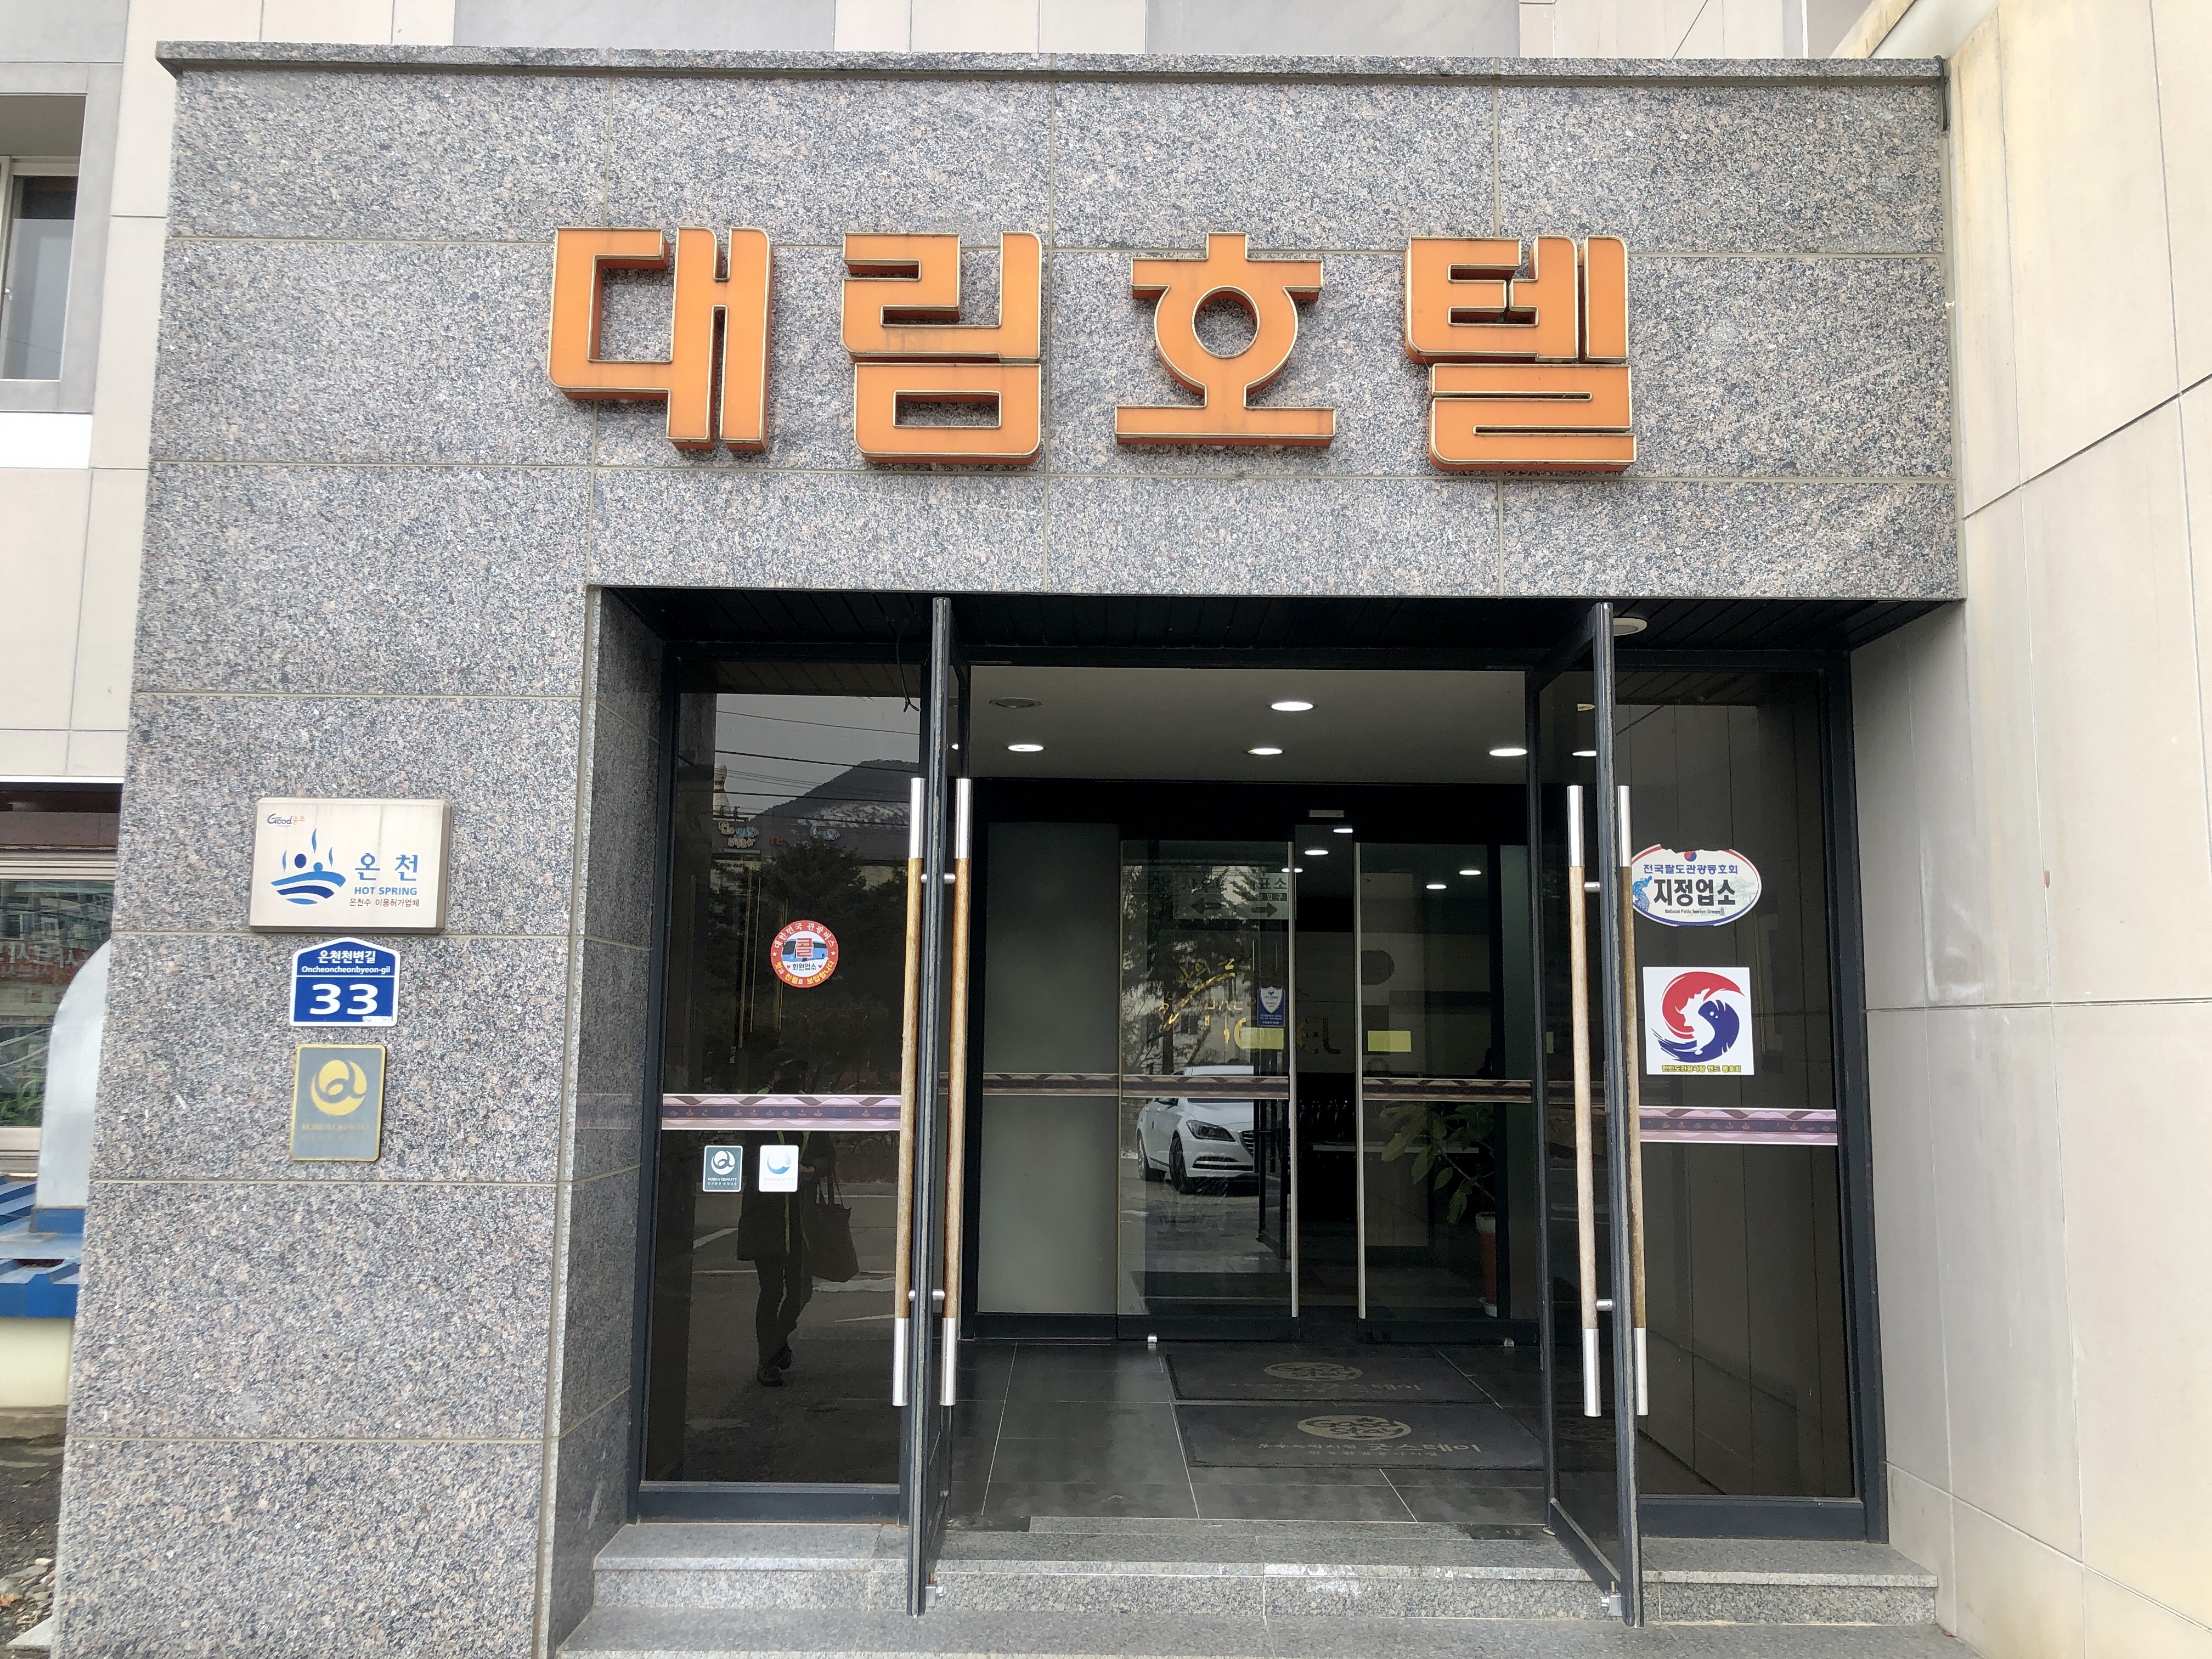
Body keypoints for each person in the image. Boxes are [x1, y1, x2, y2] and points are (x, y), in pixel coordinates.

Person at [735, 1049, 828, 1387]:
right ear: (772, 1074)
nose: (793, 1079)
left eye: (798, 1073)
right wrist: (780, 1168)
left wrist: (813, 1169)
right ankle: (767, 1362)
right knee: (771, 1290)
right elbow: (747, 1156)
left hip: (801, 1215)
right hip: (767, 1215)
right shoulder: (755, 1107)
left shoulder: (809, 1107)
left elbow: (826, 1154)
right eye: (786, 1072)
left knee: (801, 1290)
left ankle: (777, 1341)